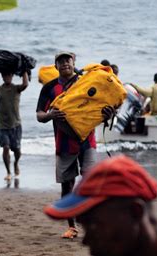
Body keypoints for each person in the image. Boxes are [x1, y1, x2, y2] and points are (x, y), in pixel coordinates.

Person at [36, 51, 115, 239]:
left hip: (87, 140)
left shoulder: (86, 81)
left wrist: (109, 113)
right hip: (63, 143)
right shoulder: (49, 88)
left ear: (74, 63)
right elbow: (39, 114)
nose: (64, 64)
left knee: (90, 180)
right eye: (60, 61)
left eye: (67, 60)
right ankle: (72, 226)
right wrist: (50, 115)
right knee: (67, 185)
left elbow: (103, 103)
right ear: (55, 66)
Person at [0, 70, 29, 181]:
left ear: (12, 76)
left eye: (9, 74)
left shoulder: (17, 88)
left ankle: (16, 163)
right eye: (5, 75)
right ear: (2, 76)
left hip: (16, 125)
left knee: (17, 150)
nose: (7, 77)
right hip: (3, 125)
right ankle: (8, 172)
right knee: (6, 148)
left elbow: (25, 84)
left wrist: (24, 71)